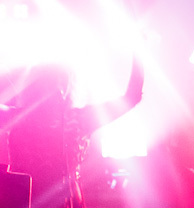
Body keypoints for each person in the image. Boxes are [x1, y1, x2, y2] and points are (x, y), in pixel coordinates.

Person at [0, 56, 144, 208]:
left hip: (61, 201)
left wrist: (139, 55)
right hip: (32, 200)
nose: (57, 90)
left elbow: (131, 97)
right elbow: (131, 97)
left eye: (61, 84)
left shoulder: (76, 119)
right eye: (50, 84)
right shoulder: (21, 117)